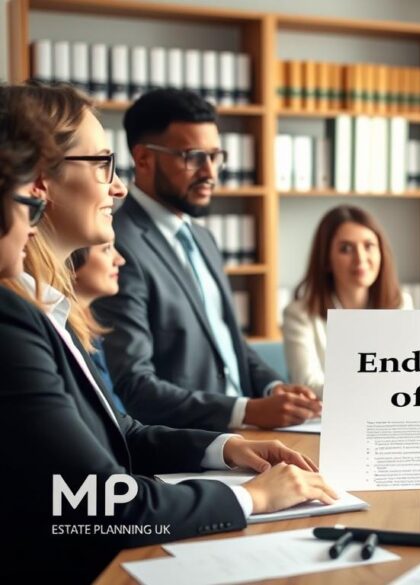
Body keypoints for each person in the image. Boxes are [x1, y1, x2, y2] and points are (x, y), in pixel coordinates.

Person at [0, 84, 337, 582]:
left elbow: (121, 435)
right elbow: (97, 500)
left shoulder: (47, 307)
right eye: (103, 165)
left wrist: (224, 447)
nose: (118, 187)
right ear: (40, 181)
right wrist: (251, 497)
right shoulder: (13, 317)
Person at [92, 89, 321, 431]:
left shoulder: (203, 238)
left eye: (215, 156)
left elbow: (229, 342)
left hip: (251, 437)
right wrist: (248, 411)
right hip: (190, 447)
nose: (210, 172)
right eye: (193, 156)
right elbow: (135, 385)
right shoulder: (117, 245)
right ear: (143, 159)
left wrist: (274, 389)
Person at [282, 204, 413, 397]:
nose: (360, 259)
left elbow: (409, 377)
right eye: (346, 249)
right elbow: (309, 385)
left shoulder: (400, 304)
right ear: (326, 259)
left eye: (369, 246)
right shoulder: (299, 315)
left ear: (381, 253)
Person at [70, 240, 128, 412]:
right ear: (71, 260)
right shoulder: (63, 333)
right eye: (106, 249)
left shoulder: (90, 330)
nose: (120, 259)